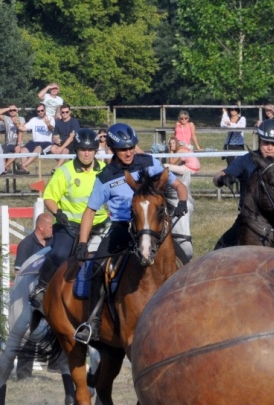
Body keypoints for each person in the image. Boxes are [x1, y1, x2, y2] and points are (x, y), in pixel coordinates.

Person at [73, 123, 189, 343]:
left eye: (131, 147)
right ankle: (92, 321)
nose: (128, 153)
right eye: (122, 149)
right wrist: (82, 243)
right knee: (97, 267)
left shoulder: (148, 162)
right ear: (113, 150)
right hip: (121, 228)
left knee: (185, 257)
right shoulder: (105, 176)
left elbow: (179, 186)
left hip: (152, 226)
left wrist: (182, 202)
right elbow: (90, 211)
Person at [29, 129, 109, 309]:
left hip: (100, 224)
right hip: (70, 225)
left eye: (90, 149)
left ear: (96, 150)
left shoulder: (105, 170)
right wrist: (58, 213)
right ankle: (41, 287)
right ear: (76, 150)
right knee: (59, 254)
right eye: (82, 149)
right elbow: (49, 197)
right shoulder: (64, 171)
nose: (87, 153)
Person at [15, 105, 54, 174]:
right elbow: (23, 128)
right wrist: (17, 124)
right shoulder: (34, 120)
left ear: (45, 110)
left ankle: (23, 165)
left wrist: (48, 124)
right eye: (38, 111)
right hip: (35, 141)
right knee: (23, 150)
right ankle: (25, 169)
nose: (40, 112)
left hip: (46, 142)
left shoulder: (50, 118)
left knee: (38, 148)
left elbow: (52, 129)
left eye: (42, 110)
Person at [0, 105, 24, 172]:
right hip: (8, 143)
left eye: (14, 110)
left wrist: (17, 125)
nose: (12, 111)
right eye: (10, 110)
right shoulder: (7, 118)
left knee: (17, 152)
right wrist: (8, 108)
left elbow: (21, 131)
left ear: (17, 110)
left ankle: (4, 167)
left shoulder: (21, 119)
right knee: (0, 150)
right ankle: (6, 168)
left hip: (17, 143)